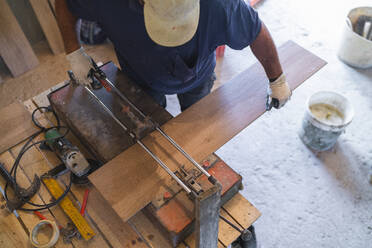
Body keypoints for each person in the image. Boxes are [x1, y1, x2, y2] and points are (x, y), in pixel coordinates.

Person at [55, 0, 291, 111]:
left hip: (198, 75)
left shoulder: (221, 6)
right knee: (147, 129)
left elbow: (256, 31)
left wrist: (277, 81)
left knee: (197, 126)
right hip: (141, 78)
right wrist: (74, 54)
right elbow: (65, 3)